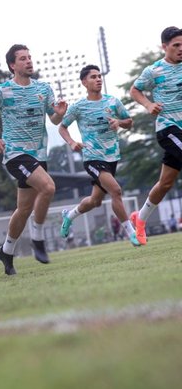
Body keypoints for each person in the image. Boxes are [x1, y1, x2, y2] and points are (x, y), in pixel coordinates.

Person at [0, 44, 67, 275]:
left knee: (24, 208)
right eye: (23, 59)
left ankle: (6, 251)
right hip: (16, 154)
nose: (29, 61)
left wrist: (60, 113)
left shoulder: (44, 89)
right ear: (12, 65)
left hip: (38, 154)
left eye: (30, 57)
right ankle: (38, 238)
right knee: (48, 187)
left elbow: (54, 120)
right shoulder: (2, 90)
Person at [58, 65, 140, 247]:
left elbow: (129, 122)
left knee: (95, 201)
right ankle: (132, 233)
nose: (98, 79)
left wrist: (119, 122)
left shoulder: (113, 102)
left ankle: (69, 215)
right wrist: (72, 142)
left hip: (112, 157)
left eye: (99, 76)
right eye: (93, 77)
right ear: (84, 82)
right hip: (92, 158)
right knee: (116, 191)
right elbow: (62, 127)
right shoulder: (78, 106)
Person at [129, 26, 182, 245]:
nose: (180, 49)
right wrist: (148, 104)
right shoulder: (154, 70)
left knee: (165, 183)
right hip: (168, 128)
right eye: (176, 45)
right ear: (165, 47)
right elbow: (134, 90)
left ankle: (139, 220)